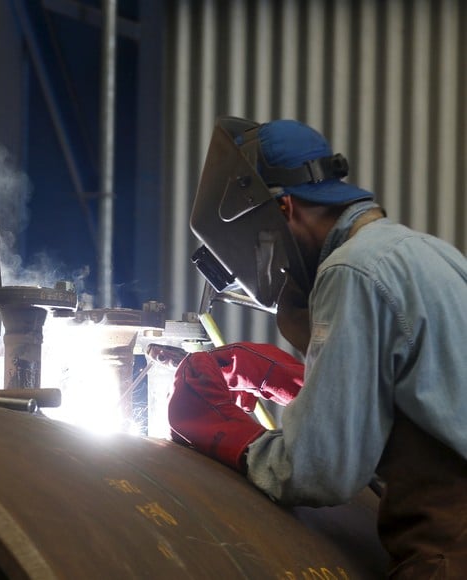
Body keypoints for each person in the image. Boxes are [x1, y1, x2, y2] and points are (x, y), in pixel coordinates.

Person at [165, 116, 466, 578]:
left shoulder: (352, 271)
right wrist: (317, 388)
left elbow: (320, 471)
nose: (270, 262)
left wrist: (237, 439)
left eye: (261, 243)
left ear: (284, 210)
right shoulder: (427, 253)